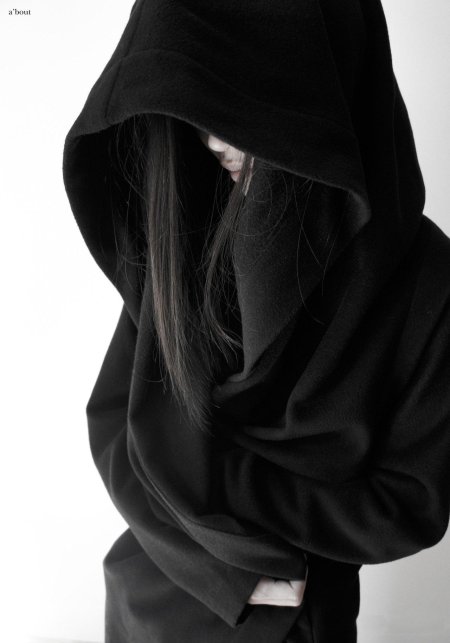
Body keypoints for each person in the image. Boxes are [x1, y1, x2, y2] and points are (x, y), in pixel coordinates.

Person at [62, 0, 450, 641]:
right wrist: (227, 574)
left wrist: (265, 540)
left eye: (237, 103)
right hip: (154, 591)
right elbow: (116, 424)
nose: (213, 139)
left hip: (299, 610)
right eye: (196, 105)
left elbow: (414, 500)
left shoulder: (428, 281)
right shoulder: (187, 234)